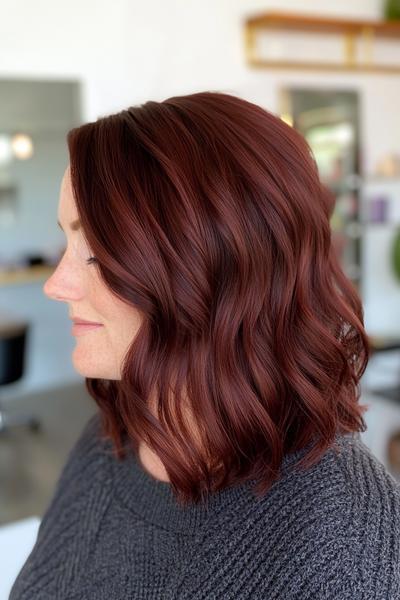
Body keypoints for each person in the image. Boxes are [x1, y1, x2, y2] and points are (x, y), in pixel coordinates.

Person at [10, 91, 400, 599]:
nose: (56, 284)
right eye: (67, 241)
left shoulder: (346, 553)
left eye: (97, 250)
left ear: (209, 268)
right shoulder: (114, 439)